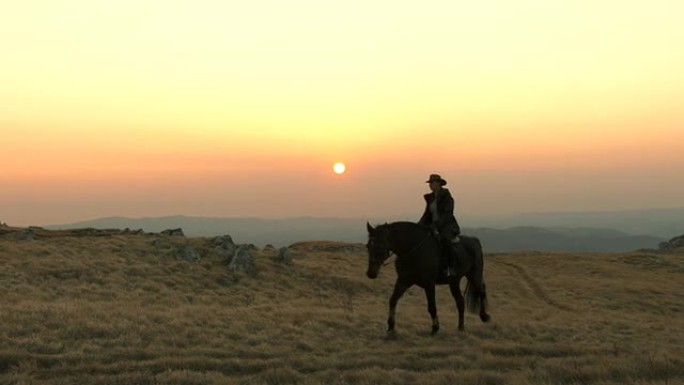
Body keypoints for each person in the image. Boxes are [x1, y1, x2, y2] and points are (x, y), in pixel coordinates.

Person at [418, 174, 461, 277]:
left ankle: (450, 266)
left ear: (438, 183)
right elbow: (427, 215)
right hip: (433, 225)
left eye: (432, 183)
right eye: (430, 183)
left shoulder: (447, 197)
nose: (431, 185)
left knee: (445, 239)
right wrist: (419, 226)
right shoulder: (430, 198)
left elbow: (448, 214)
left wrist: (436, 225)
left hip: (446, 225)